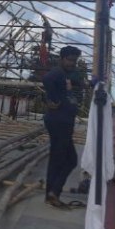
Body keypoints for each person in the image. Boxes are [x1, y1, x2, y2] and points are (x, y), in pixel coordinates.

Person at [41, 45, 82, 209]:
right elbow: (47, 79)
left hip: (62, 122)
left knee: (58, 159)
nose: (72, 63)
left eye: (75, 60)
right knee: (69, 160)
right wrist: (53, 99)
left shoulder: (65, 75)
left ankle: (51, 194)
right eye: (70, 60)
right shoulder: (57, 73)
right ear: (62, 59)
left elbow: (76, 83)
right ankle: (53, 192)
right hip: (59, 122)